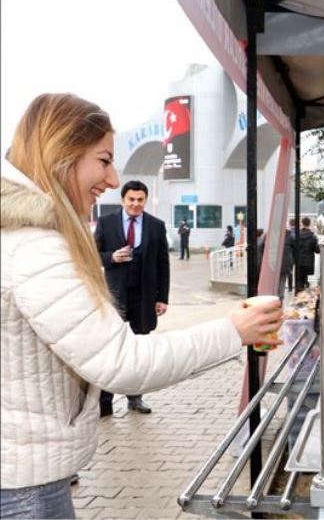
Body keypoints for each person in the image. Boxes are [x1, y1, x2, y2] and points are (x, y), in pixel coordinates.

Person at [0, 93, 282, 518]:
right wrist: (232, 331)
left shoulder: (27, 235)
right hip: (25, 486)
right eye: (103, 160)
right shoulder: (34, 246)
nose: (113, 179)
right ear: (63, 151)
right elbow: (121, 362)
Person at [94, 180, 170, 416]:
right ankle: (104, 402)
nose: (136, 204)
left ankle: (135, 398)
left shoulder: (156, 226)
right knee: (110, 348)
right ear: (123, 200)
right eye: (131, 199)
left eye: (140, 200)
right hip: (115, 296)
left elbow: (163, 264)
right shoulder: (106, 222)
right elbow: (92, 254)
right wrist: (111, 258)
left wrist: (162, 298)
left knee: (139, 350)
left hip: (144, 297)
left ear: (145, 200)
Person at [295, 217, 319, 291]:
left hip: (299, 260)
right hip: (308, 261)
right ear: (309, 224)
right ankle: (304, 288)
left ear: (302, 223)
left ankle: (300, 290)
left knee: (300, 278)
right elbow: (317, 250)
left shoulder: (297, 235)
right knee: (305, 276)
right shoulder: (313, 237)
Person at [279, 225, 295, 296]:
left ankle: (280, 294)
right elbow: (294, 248)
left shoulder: (276, 235)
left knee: (281, 277)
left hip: (281, 260)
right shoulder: (290, 236)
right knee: (285, 276)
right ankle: (287, 289)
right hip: (287, 259)